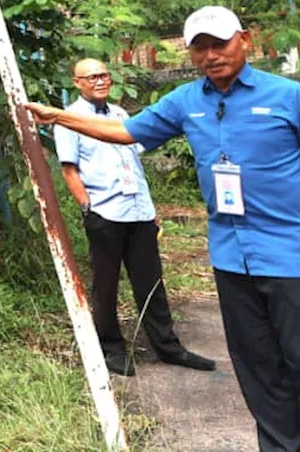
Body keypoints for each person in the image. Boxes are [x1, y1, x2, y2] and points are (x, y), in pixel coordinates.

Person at [26, 6, 300, 452]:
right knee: (260, 376)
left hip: (298, 260)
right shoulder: (186, 101)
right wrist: (58, 116)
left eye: (220, 43)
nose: (212, 55)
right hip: (232, 261)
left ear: (245, 40)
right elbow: (124, 131)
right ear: (191, 52)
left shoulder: (288, 96)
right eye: (201, 47)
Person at [56, 58, 216, 377]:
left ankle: (168, 347)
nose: (100, 81)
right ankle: (112, 349)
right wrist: (88, 208)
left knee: (151, 281)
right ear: (77, 82)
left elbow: (133, 162)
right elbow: (69, 169)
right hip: (105, 212)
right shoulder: (69, 120)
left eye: (104, 75)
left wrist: (150, 207)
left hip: (138, 211)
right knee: (106, 284)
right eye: (91, 77)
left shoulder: (120, 114)